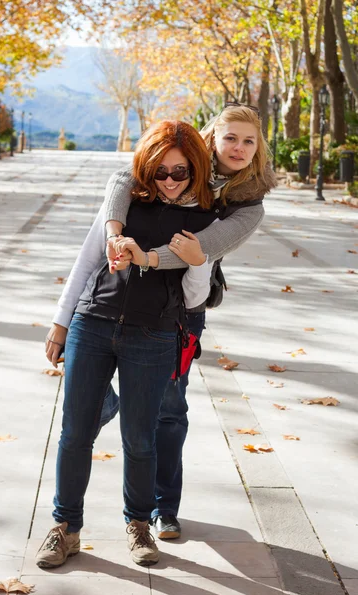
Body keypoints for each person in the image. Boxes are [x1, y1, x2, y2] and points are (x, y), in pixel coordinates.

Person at [37, 120, 236, 570]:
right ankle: (65, 528)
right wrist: (60, 324)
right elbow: (86, 262)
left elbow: (193, 299)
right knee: (74, 434)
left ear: (195, 171)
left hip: (155, 335)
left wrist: (198, 260)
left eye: (180, 172)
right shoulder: (123, 203)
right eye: (160, 170)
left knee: (140, 439)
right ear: (147, 168)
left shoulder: (206, 220)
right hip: (93, 322)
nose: (168, 180)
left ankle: (138, 524)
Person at [97, 104, 277, 540]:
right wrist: (114, 232)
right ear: (212, 137)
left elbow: (200, 248)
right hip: (128, 298)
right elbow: (123, 178)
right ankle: (116, 403)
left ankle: (163, 507)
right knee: (99, 390)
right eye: (230, 137)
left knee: (170, 409)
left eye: (248, 141)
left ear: (258, 150)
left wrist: (148, 256)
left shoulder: (249, 205)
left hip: (183, 311)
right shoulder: (177, 164)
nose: (238, 147)